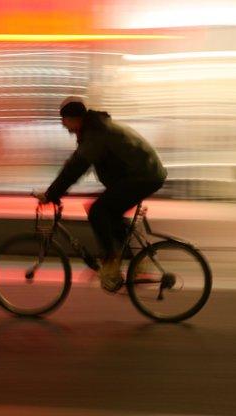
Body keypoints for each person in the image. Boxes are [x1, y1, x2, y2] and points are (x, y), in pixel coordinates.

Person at [34, 97, 167, 292]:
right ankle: (135, 263)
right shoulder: (93, 130)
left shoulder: (96, 133)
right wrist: (55, 191)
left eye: (64, 119)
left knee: (98, 210)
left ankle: (110, 264)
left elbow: (76, 167)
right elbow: (75, 163)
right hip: (141, 174)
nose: (63, 124)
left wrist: (52, 193)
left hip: (144, 175)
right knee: (109, 212)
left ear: (74, 118)